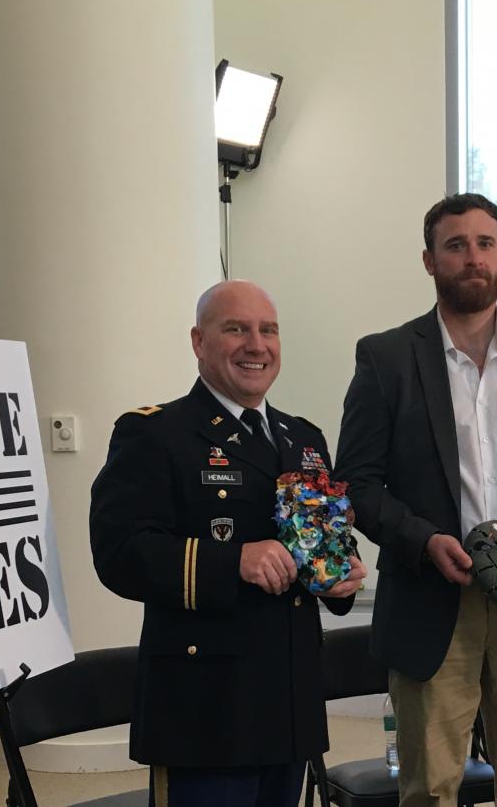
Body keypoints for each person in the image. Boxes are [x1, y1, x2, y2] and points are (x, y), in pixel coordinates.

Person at [336, 193, 497, 807]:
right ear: (429, 261)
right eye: (455, 246)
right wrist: (423, 541)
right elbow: (358, 481)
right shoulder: (387, 357)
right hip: (431, 598)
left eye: (484, 244)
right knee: (428, 786)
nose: (472, 258)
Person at [89, 280, 366, 807]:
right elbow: (119, 552)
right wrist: (231, 560)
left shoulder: (302, 439)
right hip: (205, 710)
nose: (255, 344)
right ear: (199, 341)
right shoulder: (156, 433)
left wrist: (339, 577)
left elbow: (320, 538)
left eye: (268, 330)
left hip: (288, 700)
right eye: (235, 328)